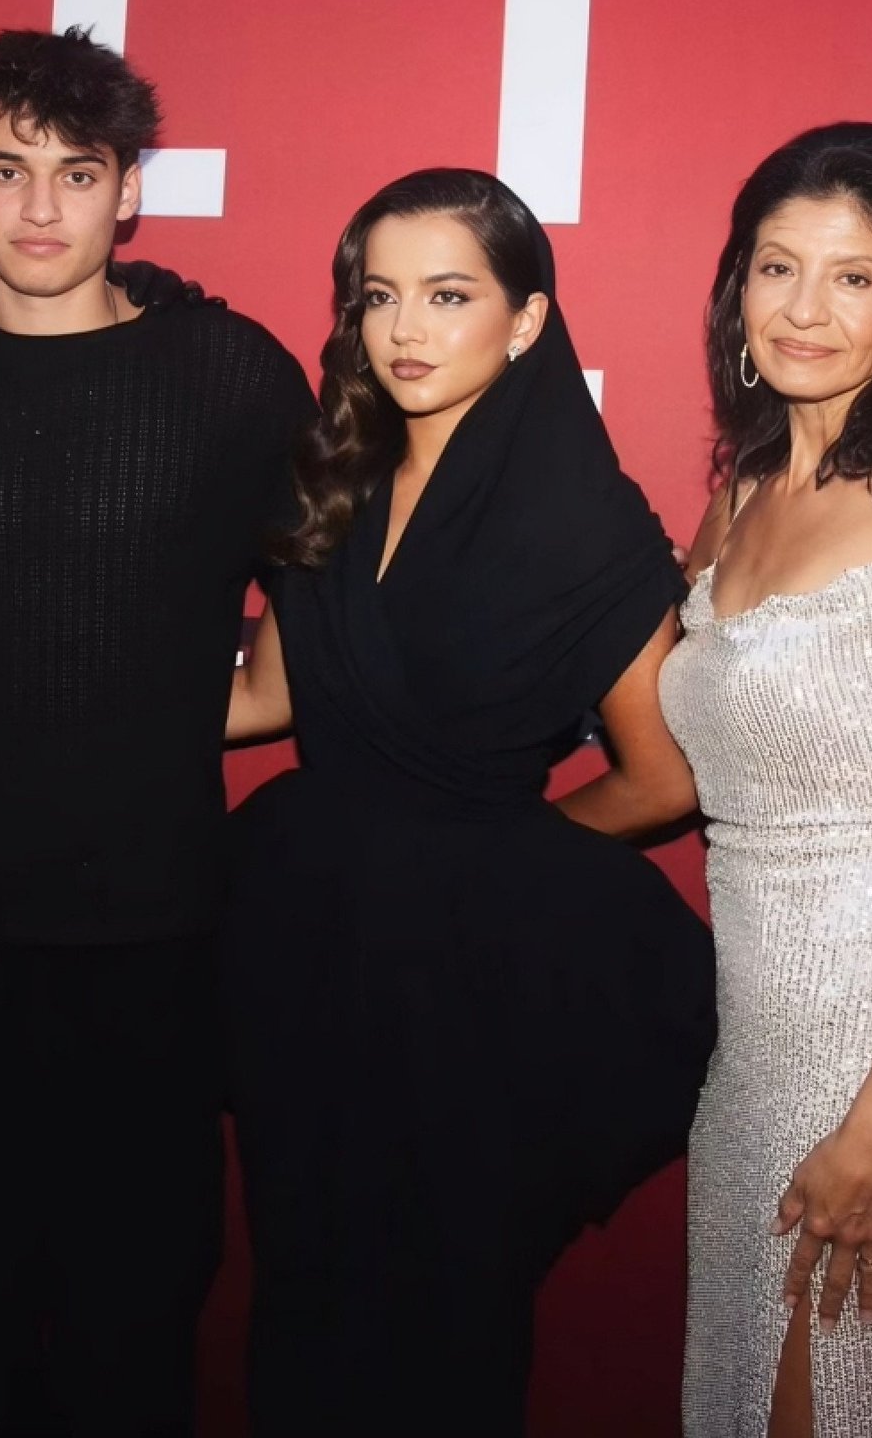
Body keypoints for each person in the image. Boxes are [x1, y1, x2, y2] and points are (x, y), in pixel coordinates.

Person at [223, 167, 716, 1437]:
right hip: (306, 944)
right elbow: (266, 697)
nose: (403, 329)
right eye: (379, 295)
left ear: (528, 320)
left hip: (465, 984)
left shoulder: (585, 524)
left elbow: (665, 778)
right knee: (301, 1283)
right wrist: (55, 696)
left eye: (448, 295)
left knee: (441, 1307)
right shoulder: (332, 476)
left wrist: (500, 853)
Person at [0, 26, 315, 1438]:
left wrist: (193, 709)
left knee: (134, 1317)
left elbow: (329, 617)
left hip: (153, 946)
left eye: (76, 173)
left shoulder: (226, 376)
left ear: (127, 192)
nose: (42, 209)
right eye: (7, 169)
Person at [658, 122, 872, 1436]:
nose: (806, 308)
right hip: (749, 1063)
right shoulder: (736, 505)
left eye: (853, 277)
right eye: (779, 268)